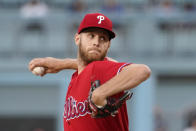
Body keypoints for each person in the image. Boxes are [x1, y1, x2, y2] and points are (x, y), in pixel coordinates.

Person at [29, 13, 151, 131]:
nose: (96, 42)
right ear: (77, 39)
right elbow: (85, 65)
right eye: (91, 35)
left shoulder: (100, 69)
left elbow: (142, 70)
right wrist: (62, 64)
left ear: (108, 45)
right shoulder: (77, 76)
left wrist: (100, 93)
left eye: (102, 38)